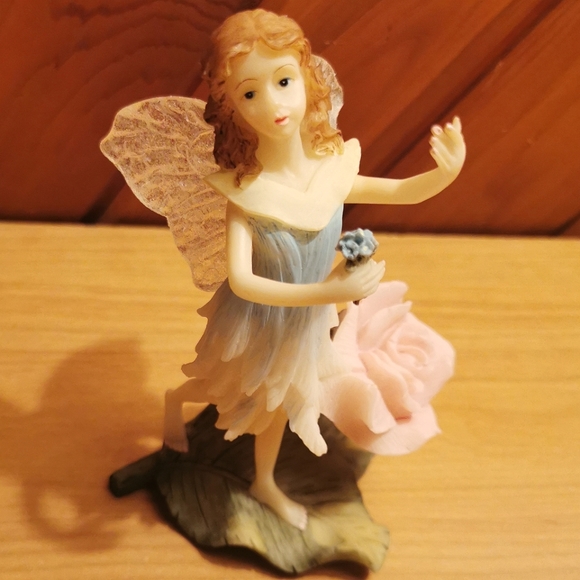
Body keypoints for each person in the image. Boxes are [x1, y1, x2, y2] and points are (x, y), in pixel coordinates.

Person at [157, 9, 465, 530]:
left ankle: (263, 481)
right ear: (231, 107)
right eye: (250, 92)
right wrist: (329, 291)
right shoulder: (246, 193)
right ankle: (175, 403)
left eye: (283, 81)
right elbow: (243, 281)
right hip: (256, 320)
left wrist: (446, 172)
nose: (273, 103)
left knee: (279, 403)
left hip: (305, 323)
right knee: (227, 386)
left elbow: (401, 192)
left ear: (307, 78)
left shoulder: (331, 170)